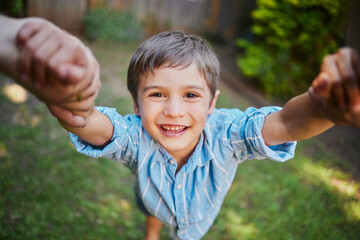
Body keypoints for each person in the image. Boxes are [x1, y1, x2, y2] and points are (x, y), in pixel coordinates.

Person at [2, 16, 360, 240]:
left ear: (213, 103)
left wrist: (323, 106)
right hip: (151, 198)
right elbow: (88, 123)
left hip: (201, 218)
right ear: (136, 103)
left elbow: (285, 122)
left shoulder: (228, 135)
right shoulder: (133, 137)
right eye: (157, 94)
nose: (174, 111)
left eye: (191, 94)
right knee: (150, 212)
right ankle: (152, 232)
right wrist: (68, 101)